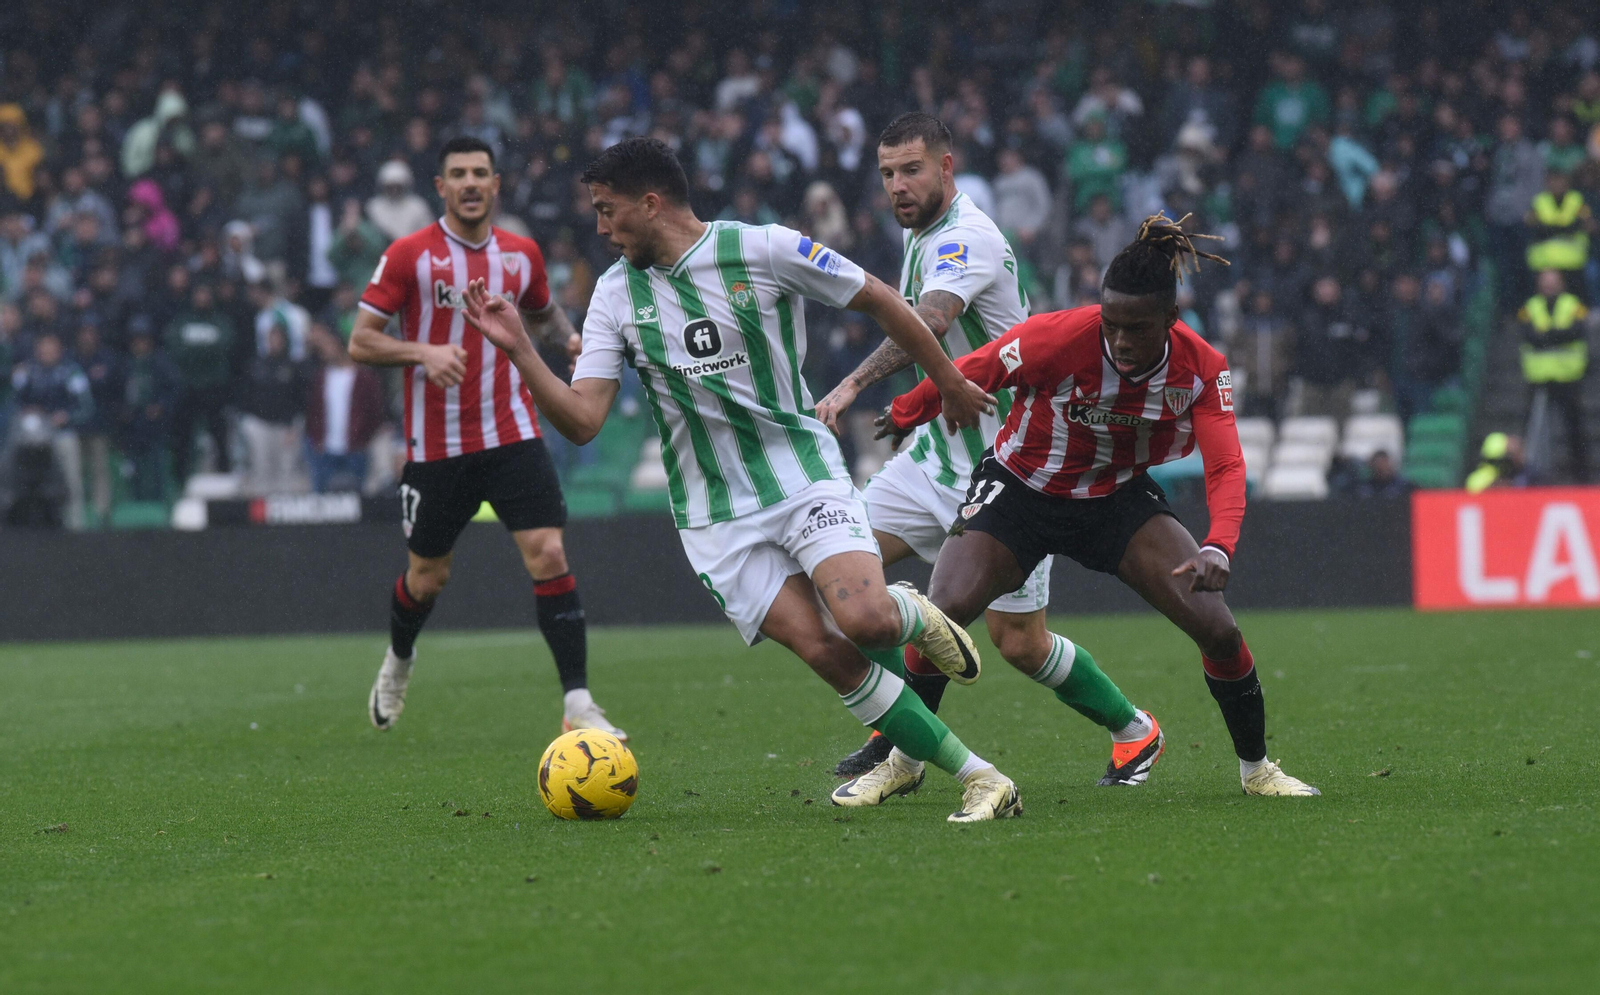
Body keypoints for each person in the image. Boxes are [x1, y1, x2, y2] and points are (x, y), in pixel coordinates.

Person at [463, 136, 1022, 823]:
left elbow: (879, 298)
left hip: (801, 474)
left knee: (866, 620)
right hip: (715, 514)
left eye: (608, 212)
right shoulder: (613, 296)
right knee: (826, 650)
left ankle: (907, 608)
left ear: (651, 202)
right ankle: (981, 776)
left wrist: (948, 380)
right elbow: (583, 420)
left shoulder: (763, 249)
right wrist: (521, 348)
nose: (601, 229)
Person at [874, 213, 1321, 799]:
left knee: (1218, 630)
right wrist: (907, 409)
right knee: (944, 612)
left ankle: (1258, 770)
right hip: (1021, 490)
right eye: (1112, 325)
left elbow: (1227, 465)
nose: (1120, 342)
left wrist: (1219, 544)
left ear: (1170, 319)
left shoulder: (1202, 370)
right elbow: (972, 369)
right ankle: (904, 763)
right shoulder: (1057, 336)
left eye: (1137, 329)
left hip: (1115, 498)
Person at [813, 113, 1164, 791]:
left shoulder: (965, 238)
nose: (898, 186)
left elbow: (930, 320)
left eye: (912, 169)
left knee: (1020, 643)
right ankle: (896, 739)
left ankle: (1133, 728)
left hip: (1009, 471)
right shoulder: (923, 235)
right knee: (839, 572)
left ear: (946, 167)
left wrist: (852, 383)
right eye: (887, 174)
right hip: (935, 458)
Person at [350, 136, 622, 741]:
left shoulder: (521, 254)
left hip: (513, 434)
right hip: (436, 449)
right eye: (458, 174)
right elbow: (360, 340)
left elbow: (543, 314)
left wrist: (572, 340)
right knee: (428, 578)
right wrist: (421, 351)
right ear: (440, 188)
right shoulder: (407, 256)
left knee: (549, 552)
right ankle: (399, 660)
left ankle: (578, 700)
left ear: (497, 185)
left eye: (480, 173)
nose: (470, 183)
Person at [9, 333, 93, 528]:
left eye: (51, 349)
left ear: (59, 350)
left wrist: (67, 416)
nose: (47, 353)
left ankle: (75, 526)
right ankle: (27, 527)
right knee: (24, 481)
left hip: (61, 433)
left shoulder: (71, 372)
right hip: (31, 438)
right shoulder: (27, 371)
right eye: (43, 349)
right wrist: (27, 412)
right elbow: (14, 400)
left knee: (71, 481)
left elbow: (85, 407)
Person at [1516, 270, 1590, 482]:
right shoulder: (1530, 307)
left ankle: (1582, 478)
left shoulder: (1574, 304)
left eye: (1553, 282)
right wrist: (1558, 335)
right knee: (1532, 430)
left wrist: (1546, 336)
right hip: (1539, 379)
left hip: (1568, 378)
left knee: (1575, 429)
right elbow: (1527, 334)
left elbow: (1578, 330)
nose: (1548, 286)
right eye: (1545, 282)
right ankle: (1527, 477)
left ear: (1562, 284)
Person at [305, 325, 383, 493]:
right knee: (323, 500)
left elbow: (374, 411)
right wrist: (316, 437)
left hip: (355, 448)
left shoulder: (364, 377)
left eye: (328, 346)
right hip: (325, 448)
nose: (324, 350)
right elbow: (313, 411)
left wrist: (363, 438)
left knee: (356, 501)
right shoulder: (321, 377)